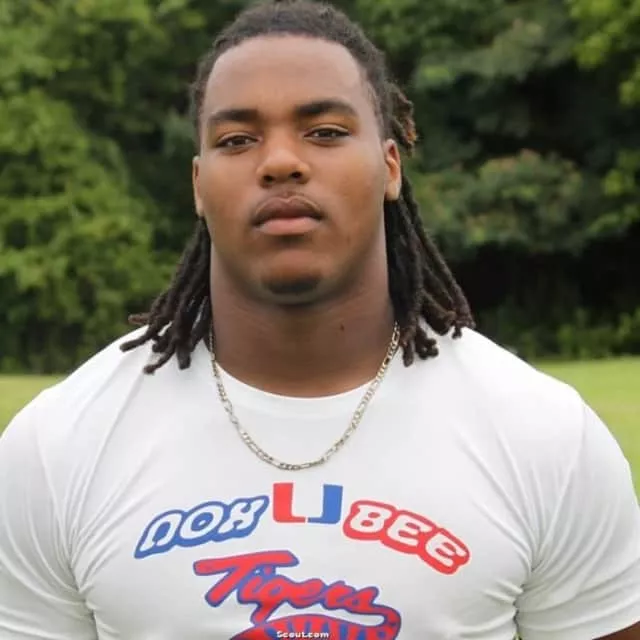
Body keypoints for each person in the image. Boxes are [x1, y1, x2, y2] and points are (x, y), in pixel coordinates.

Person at [1, 0, 639, 638]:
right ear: (198, 184)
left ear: (390, 166)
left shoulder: (544, 437)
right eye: (237, 140)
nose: (280, 161)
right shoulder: (57, 449)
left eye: (326, 132)